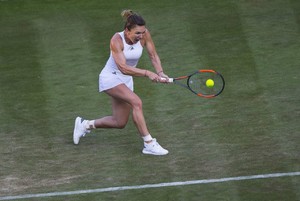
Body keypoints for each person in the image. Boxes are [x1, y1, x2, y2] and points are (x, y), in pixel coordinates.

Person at [73, 9, 169, 155]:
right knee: (137, 102)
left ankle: (85, 125)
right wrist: (148, 73)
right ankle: (149, 143)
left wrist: (161, 73)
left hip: (126, 80)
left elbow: (153, 55)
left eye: (143, 32)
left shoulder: (144, 35)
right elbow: (123, 68)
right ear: (127, 30)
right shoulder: (116, 40)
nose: (141, 36)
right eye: (137, 33)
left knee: (119, 122)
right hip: (110, 77)